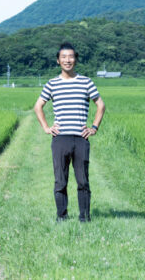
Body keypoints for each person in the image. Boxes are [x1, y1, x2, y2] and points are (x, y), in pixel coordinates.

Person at [33, 42, 106, 222]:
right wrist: (46, 127)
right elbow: (38, 106)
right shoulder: (52, 84)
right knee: (60, 181)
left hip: (81, 138)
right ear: (58, 61)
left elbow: (101, 105)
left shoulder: (86, 82)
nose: (68, 60)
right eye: (64, 57)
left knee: (83, 180)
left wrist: (94, 127)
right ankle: (61, 217)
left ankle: (85, 218)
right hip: (60, 139)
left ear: (76, 59)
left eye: (71, 57)